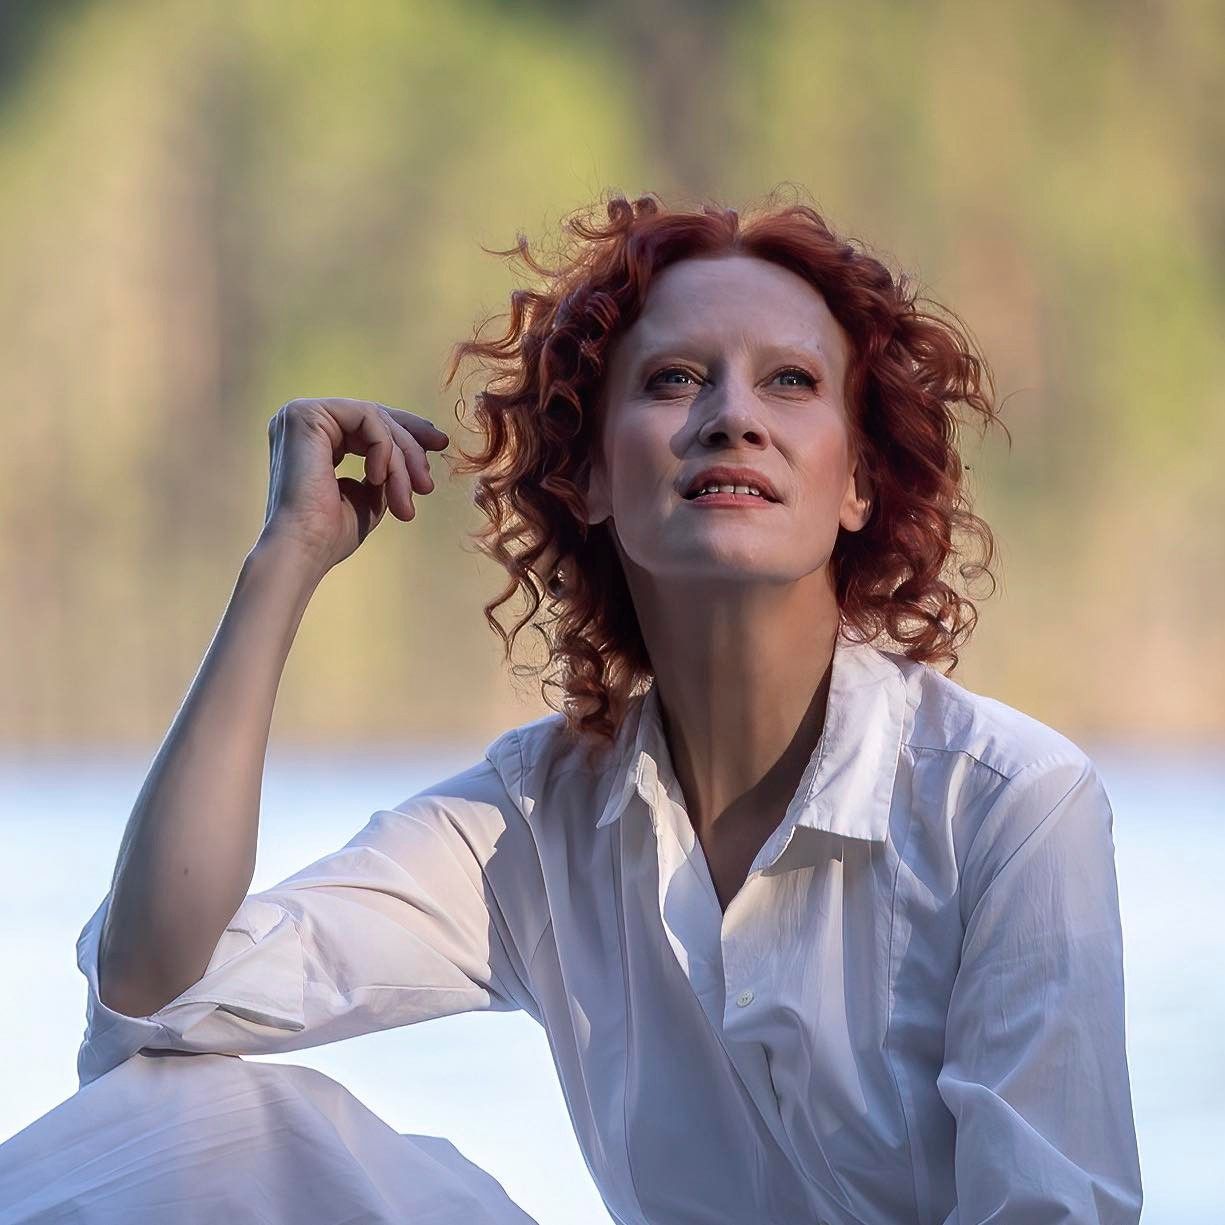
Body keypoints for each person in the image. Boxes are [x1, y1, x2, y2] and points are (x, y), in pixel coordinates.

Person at [0, 192, 1143, 1224]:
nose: (731, 417)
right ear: (588, 477)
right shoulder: (533, 819)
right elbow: (158, 996)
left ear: (855, 481)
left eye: (790, 382)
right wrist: (283, 561)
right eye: (673, 379)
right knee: (200, 1123)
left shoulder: (1007, 804)